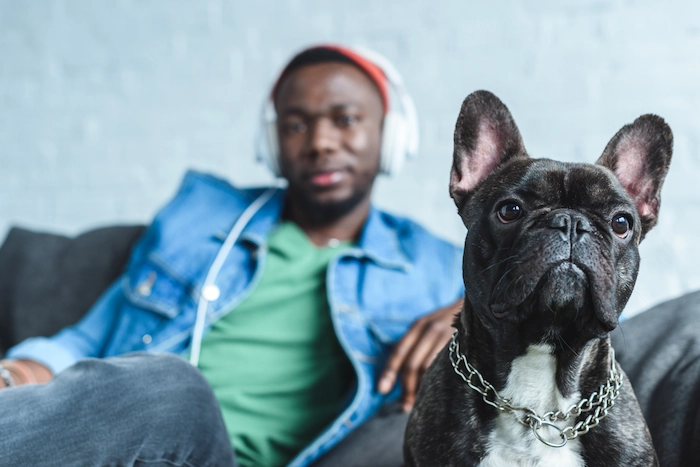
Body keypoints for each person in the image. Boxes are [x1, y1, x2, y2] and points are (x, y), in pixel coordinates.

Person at [0, 45, 464, 467]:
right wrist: (15, 375)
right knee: (171, 387)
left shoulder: (433, 266)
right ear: (272, 143)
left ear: (391, 134)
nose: (320, 142)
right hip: (137, 445)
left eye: (345, 119)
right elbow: (85, 342)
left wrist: (466, 311)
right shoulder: (202, 220)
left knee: (176, 389)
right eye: (296, 124)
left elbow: (525, 317)